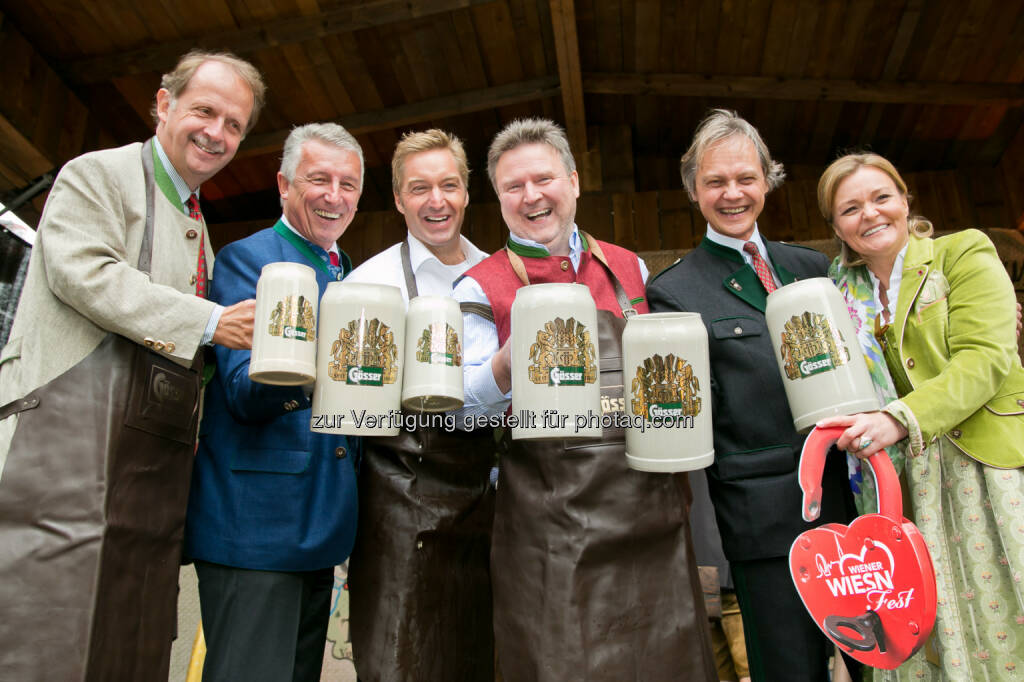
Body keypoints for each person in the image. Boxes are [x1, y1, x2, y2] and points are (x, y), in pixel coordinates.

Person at [0, 50, 264, 681]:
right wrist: (210, 323)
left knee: (131, 646)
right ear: (163, 104)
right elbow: (83, 273)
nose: (216, 133)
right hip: (63, 460)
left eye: (234, 125)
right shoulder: (98, 174)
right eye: (205, 111)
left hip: (147, 486)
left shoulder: (201, 226)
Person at [453, 117, 716, 682]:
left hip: (649, 512)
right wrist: (504, 364)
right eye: (513, 187)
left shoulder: (630, 267)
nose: (532, 197)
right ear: (498, 200)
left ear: (572, 181)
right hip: (550, 525)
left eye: (543, 179)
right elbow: (458, 412)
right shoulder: (479, 284)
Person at [645, 109, 860, 682]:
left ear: (768, 179)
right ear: (694, 190)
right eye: (715, 181)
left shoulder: (813, 267)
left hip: (850, 509)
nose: (733, 193)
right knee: (791, 671)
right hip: (765, 520)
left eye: (746, 178)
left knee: (873, 664)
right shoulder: (673, 291)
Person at [815, 152, 1024, 680]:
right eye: (850, 208)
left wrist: (900, 417)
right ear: (836, 226)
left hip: (980, 466)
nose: (870, 214)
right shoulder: (836, 294)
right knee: (924, 625)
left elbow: (986, 356)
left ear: (906, 200)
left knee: (997, 610)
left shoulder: (963, 252)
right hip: (899, 483)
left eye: (882, 197)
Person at [183, 123, 364, 682]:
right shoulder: (247, 259)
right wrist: (328, 368)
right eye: (319, 180)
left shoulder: (349, 272)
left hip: (318, 526)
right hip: (254, 526)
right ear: (284, 185)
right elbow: (242, 393)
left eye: (348, 184)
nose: (335, 196)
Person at [343, 129, 496, 681]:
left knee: (483, 656)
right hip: (401, 497)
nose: (437, 201)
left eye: (448, 185)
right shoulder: (370, 283)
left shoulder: (500, 276)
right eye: (420, 188)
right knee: (402, 658)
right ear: (400, 199)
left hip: (493, 499)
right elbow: (351, 408)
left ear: (466, 192)